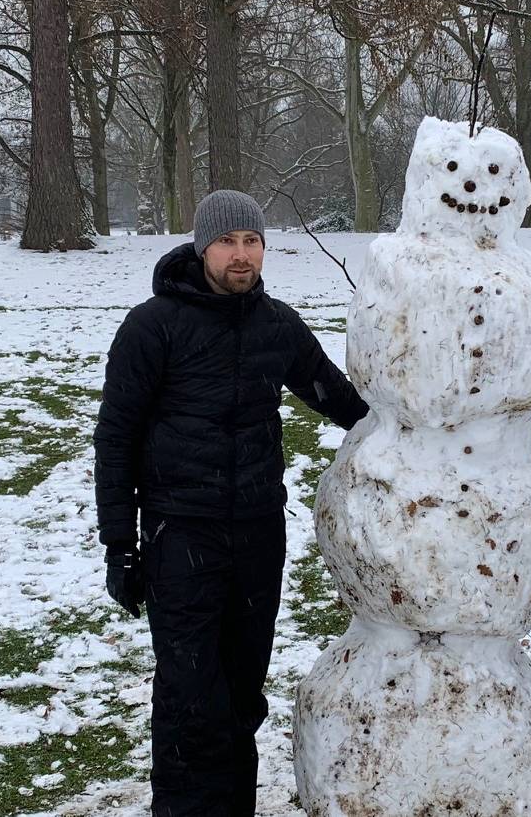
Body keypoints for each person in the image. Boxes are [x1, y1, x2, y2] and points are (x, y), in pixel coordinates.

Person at [93, 189, 368, 816]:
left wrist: (409, 432)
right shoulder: (152, 325)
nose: (241, 255)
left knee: (242, 692)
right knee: (192, 695)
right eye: (227, 242)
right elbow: (116, 437)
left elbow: (332, 394)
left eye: (252, 242)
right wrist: (120, 543)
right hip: (179, 533)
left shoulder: (276, 325)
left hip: (256, 532)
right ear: (202, 247)